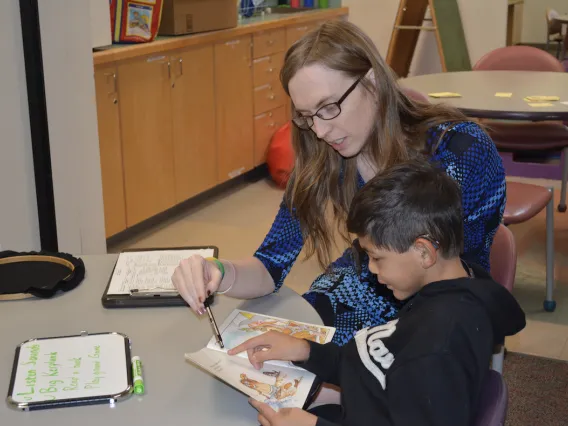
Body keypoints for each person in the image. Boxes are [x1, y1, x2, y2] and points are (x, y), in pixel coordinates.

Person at [172, 20, 506, 346]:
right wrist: (216, 270)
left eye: (329, 107)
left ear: (372, 82)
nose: (319, 131)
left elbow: (463, 282)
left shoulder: (461, 150)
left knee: (302, 374)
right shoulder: (325, 157)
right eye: (306, 116)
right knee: (269, 354)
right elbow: (269, 266)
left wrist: (338, 377)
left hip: (440, 315)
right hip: (359, 288)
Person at [228, 160, 526, 426]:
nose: (370, 269)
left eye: (377, 257)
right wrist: (306, 351)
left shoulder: (438, 348)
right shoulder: (443, 293)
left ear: (423, 252)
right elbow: (377, 361)